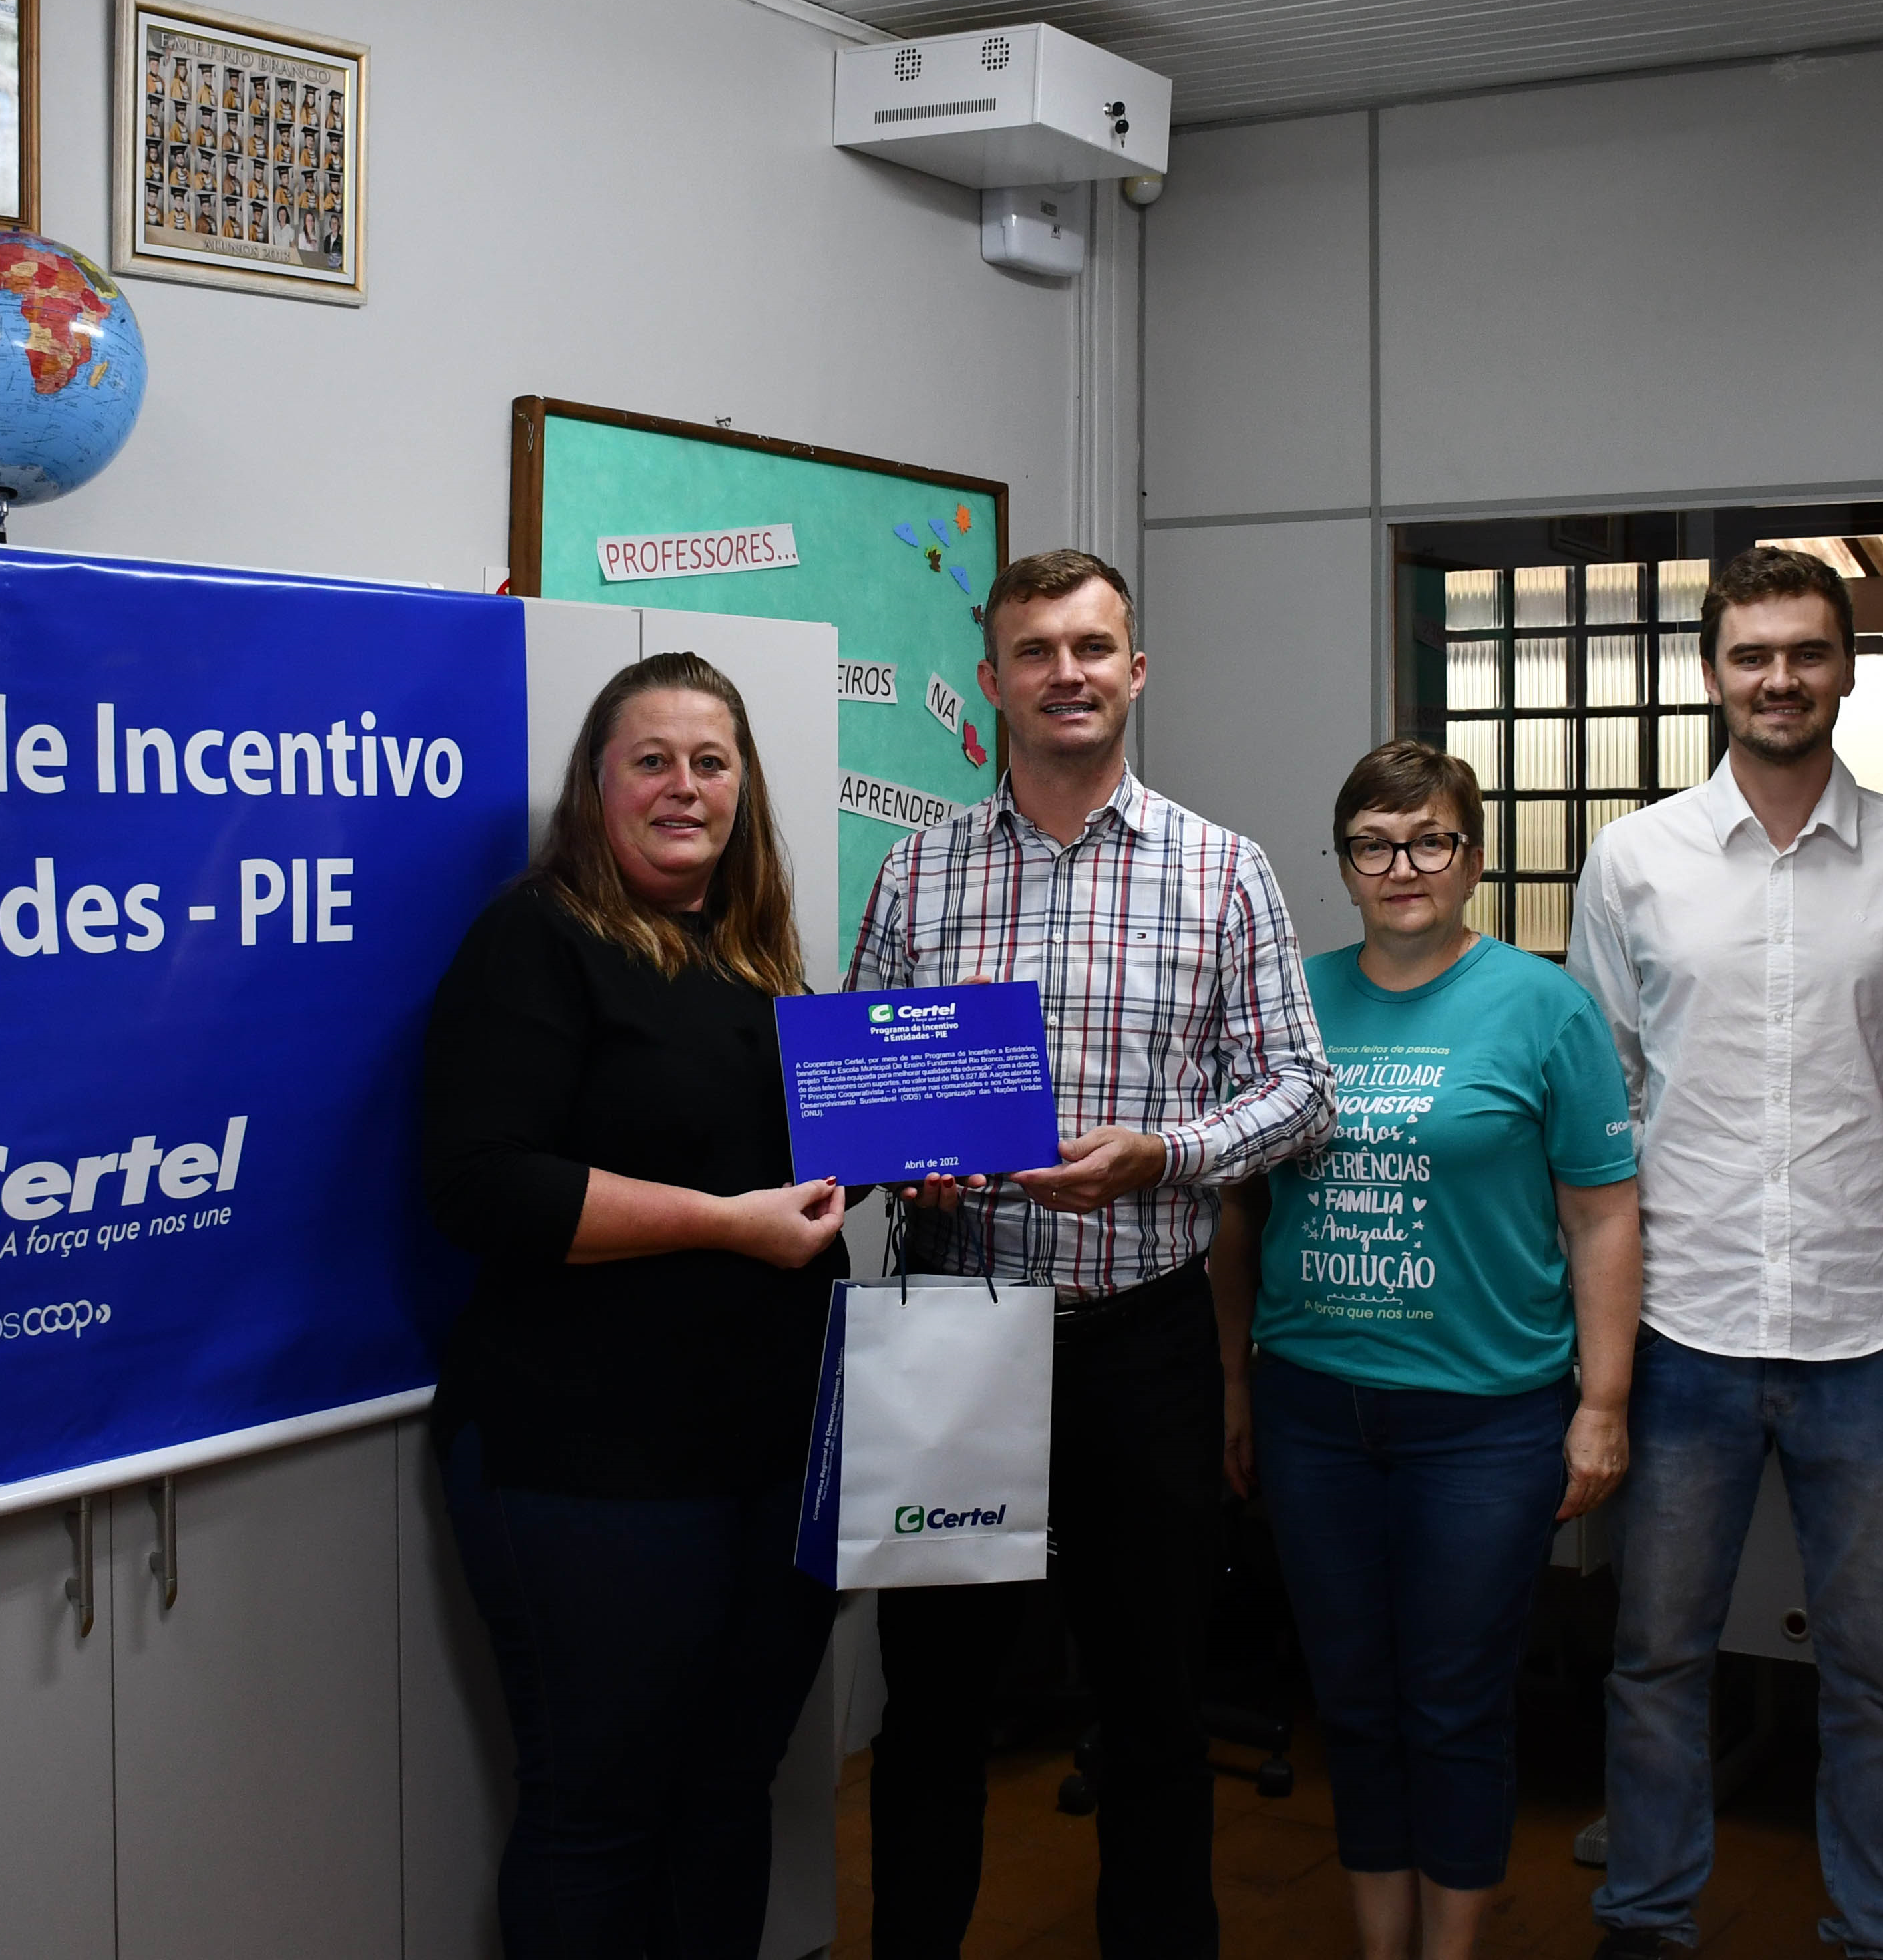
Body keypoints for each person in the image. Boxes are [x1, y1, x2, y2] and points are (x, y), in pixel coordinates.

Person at [849, 546, 1335, 1960]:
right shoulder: (919, 869)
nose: (1067, 671)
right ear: (993, 680)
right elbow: (862, 1090)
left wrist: (1159, 1152)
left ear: (1136, 669)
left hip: (1142, 1346)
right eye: (1036, 649)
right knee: (932, 1704)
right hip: (952, 1325)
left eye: (1092, 645)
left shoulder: (1223, 869)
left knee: (1153, 1710)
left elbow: (1302, 1089)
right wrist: (900, 1147)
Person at [1570, 544, 1883, 1960]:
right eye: (1752, 653)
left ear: (1847, 665)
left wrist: (1840, 1198)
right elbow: (1605, 1094)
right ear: (1711, 673)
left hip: (1868, 1329)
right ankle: (1646, 1918)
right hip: (1679, 1327)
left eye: (1806, 650)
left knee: (1877, 1676)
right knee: (1656, 1662)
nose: (1780, 677)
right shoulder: (1634, 858)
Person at [418, 651, 848, 1957]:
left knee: (727, 1792)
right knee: (598, 1811)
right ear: (594, 784)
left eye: (710, 760)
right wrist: (728, 1223)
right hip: (590, 1462)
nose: (683, 785)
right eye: (649, 759)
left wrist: (900, 1152)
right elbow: (485, 1185)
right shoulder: (537, 935)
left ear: (744, 785)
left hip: (777, 1458)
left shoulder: (761, 952)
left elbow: (786, 1178)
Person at [1210, 739, 1640, 1960]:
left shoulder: (1544, 1005)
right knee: (1349, 1699)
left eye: (1431, 840)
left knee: (1453, 1706)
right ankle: (1379, 1941)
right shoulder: (1296, 997)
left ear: (1475, 857)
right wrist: (1236, 1382)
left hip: (1485, 1420)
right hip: (1311, 1410)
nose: (1404, 867)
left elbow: (1603, 1210)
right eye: (1374, 845)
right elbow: (1240, 1211)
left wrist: (1601, 1402)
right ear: (1343, 865)